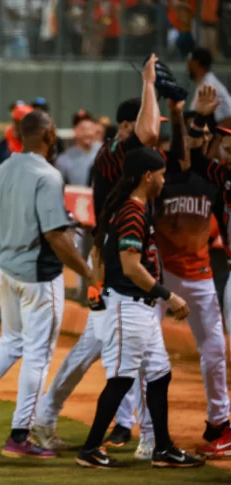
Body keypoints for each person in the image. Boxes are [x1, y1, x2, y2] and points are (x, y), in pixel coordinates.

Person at [32, 57, 165, 453]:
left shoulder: (127, 159)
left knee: (112, 351)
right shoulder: (113, 154)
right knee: (113, 353)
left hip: (113, 257)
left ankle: (139, 434)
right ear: (125, 127)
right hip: (111, 263)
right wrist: (148, 83)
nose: (151, 134)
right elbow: (148, 131)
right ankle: (119, 434)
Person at [0, 110, 91, 458]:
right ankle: (19, 436)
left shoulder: (0, 171)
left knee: (10, 342)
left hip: (7, 269)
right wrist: (88, 272)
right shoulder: (48, 175)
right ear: (50, 135)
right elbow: (55, 236)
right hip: (38, 274)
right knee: (37, 355)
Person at [76, 147, 204, 469]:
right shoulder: (132, 212)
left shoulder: (133, 208)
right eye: (160, 174)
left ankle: (162, 448)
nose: (163, 180)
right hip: (129, 308)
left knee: (159, 374)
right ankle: (90, 448)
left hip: (140, 308)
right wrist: (168, 296)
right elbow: (131, 267)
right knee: (121, 379)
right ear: (148, 176)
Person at [182, 86, 231, 457]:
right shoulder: (222, 178)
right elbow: (194, 156)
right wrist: (199, 117)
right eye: (225, 147)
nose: (226, 152)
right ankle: (224, 428)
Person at [55, 111, 101, 187]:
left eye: (90, 128)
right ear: (75, 131)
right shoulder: (64, 160)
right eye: (83, 129)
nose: (87, 133)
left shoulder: (105, 153)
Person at [188, 47, 231, 129]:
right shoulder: (204, 82)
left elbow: (228, 119)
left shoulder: (209, 86)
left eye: (190, 60)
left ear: (196, 63)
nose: (187, 65)